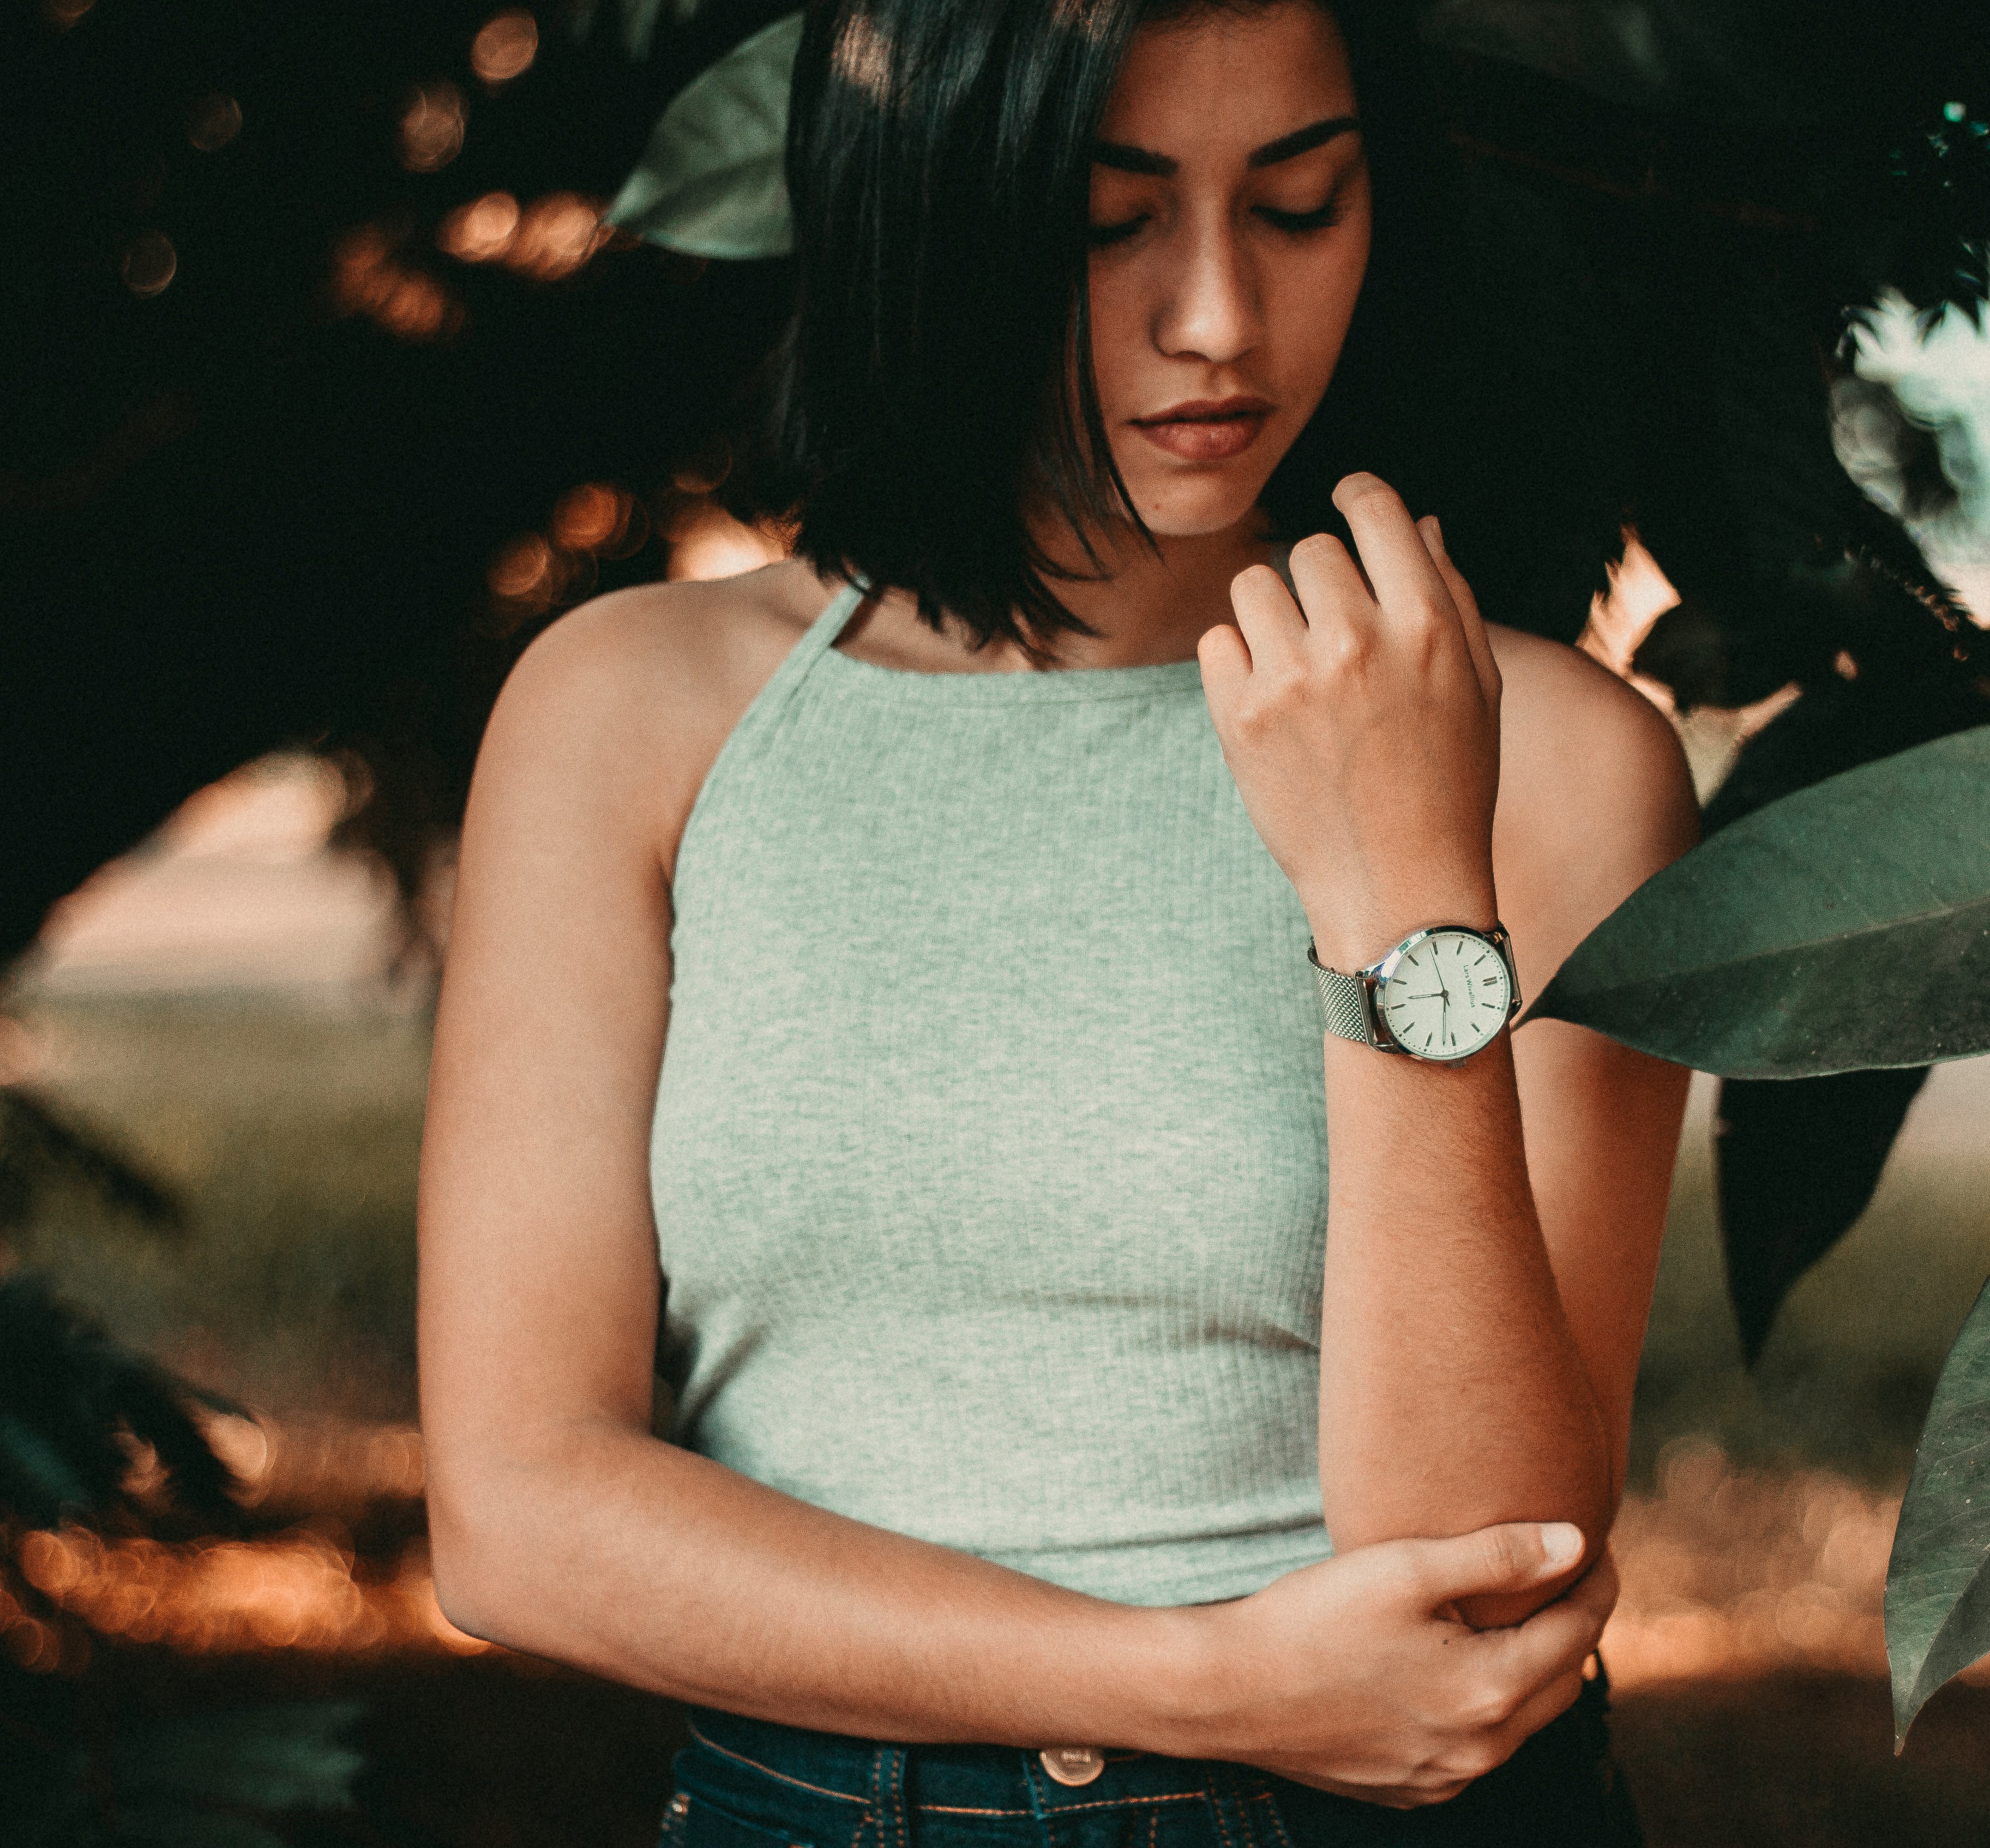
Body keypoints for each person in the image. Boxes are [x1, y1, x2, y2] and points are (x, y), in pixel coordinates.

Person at [416, 0, 1698, 1839]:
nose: (1216, 320)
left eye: (1299, 205)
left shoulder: (1554, 761)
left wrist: (1396, 885)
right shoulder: (634, 716)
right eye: (1109, 224)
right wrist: (1189, 1682)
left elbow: (1474, 1582)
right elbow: (519, 1520)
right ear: (927, 212)